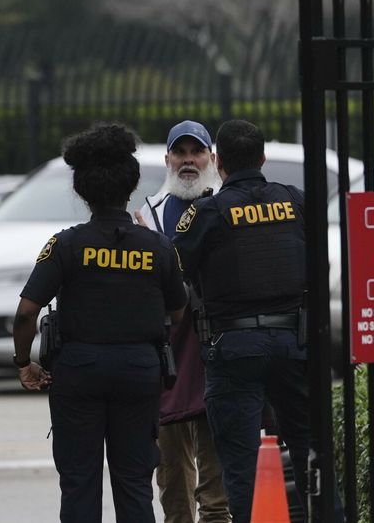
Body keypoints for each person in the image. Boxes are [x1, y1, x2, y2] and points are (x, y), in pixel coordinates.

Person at [12, 123, 188, 523]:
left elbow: (26, 311)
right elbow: (180, 313)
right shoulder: (158, 247)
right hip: (140, 372)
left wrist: (24, 363)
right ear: (130, 185)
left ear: (82, 189)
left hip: (78, 372)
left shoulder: (66, 244)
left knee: (79, 483)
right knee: (134, 484)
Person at [172, 119, 320, 523]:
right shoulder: (297, 201)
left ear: (218, 161)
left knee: (239, 465)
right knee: (311, 453)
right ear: (263, 157)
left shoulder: (208, 212)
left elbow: (173, 274)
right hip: (294, 341)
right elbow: (320, 268)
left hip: (234, 348)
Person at [135, 120, 230, 523]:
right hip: (169, 360)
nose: (188, 160)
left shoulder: (229, 206)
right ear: (168, 159)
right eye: (180, 152)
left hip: (218, 356)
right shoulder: (148, 215)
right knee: (172, 478)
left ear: (212, 157)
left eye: (196, 152)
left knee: (216, 483)